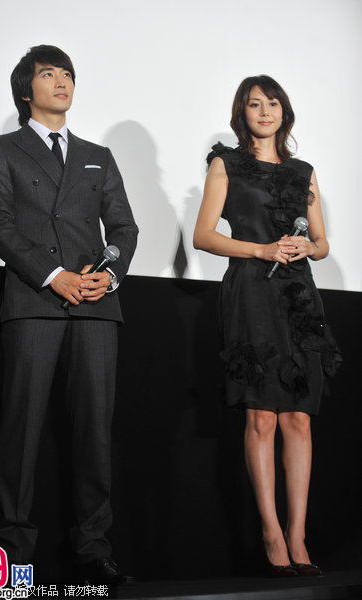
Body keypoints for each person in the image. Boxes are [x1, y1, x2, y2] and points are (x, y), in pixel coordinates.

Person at [0, 45, 138, 584]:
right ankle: (11, 554)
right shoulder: (1, 148)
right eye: (50, 74)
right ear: (27, 89)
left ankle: (93, 548)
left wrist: (109, 274)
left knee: (95, 432)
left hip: (96, 305)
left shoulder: (98, 154)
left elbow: (124, 229)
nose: (63, 81)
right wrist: (51, 275)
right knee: (20, 430)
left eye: (68, 74)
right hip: (34, 301)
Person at [193, 75, 341, 576]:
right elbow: (203, 235)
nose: (264, 111)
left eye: (272, 103)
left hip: (298, 298)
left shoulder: (303, 172)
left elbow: (322, 242)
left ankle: (299, 536)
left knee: (298, 417)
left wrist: (308, 248)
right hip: (251, 292)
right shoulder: (226, 163)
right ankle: (270, 532)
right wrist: (260, 248)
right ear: (243, 112)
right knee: (262, 417)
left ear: (284, 111)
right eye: (255, 104)